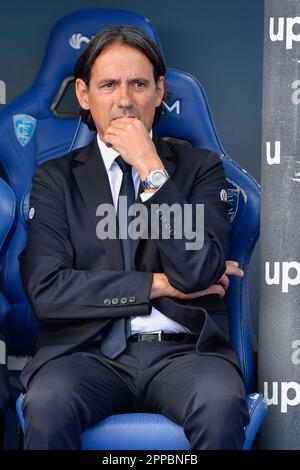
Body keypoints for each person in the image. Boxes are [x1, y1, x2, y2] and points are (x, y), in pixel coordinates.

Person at [18, 25, 250, 450]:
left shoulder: (200, 168)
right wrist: (157, 285)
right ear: (85, 97)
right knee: (47, 401)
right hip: (84, 354)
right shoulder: (55, 179)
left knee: (221, 403)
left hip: (185, 354)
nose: (124, 100)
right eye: (108, 85)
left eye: (138, 84)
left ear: (159, 92)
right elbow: (48, 291)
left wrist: (150, 168)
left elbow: (197, 269)